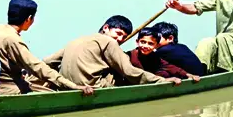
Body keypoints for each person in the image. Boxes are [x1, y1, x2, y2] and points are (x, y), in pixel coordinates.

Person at [0, 0, 94, 96]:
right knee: (51, 93)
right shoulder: (13, 40)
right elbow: (37, 67)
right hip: (10, 90)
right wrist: (73, 86)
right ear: (29, 19)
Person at [44, 15, 183, 88]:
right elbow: (129, 71)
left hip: (66, 85)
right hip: (92, 86)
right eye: (118, 33)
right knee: (120, 69)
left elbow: (47, 61)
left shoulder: (79, 39)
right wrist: (162, 80)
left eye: (124, 36)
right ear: (105, 28)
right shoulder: (109, 42)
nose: (120, 38)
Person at [125, 27, 200, 81]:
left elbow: (170, 67)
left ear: (156, 45)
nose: (146, 46)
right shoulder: (130, 55)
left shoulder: (154, 56)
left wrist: (188, 75)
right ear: (137, 42)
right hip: (137, 81)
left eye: (150, 43)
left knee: (164, 73)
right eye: (143, 42)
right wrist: (165, 80)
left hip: (152, 80)